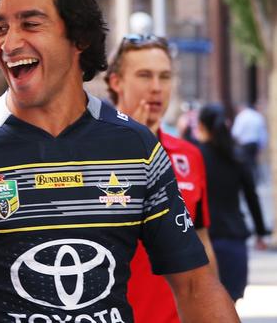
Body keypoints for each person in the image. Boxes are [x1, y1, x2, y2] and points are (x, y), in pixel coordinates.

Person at [0, 0, 239, 322]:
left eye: (30, 24)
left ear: (79, 37)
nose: (9, 43)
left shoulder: (136, 147)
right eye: (0, 28)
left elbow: (194, 285)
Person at [104, 34, 217, 322]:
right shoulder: (91, 154)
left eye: (165, 77)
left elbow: (201, 240)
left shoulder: (188, 155)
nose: (156, 88)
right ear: (116, 82)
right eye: (144, 75)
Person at [195, 103, 269, 302]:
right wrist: (261, 233)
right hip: (233, 239)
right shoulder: (238, 157)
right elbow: (252, 197)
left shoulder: (195, 157)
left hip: (202, 241)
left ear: (201, 126)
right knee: (229, 306)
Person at [231, 103, 268, 181]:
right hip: (255, 143)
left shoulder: (241, 116)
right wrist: (261, 146)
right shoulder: (257, 116)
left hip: (245, 144)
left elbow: (236, 132)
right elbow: (262, 133)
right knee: (253, 161)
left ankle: (249, 179)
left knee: (246, 163)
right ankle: (256, 179)